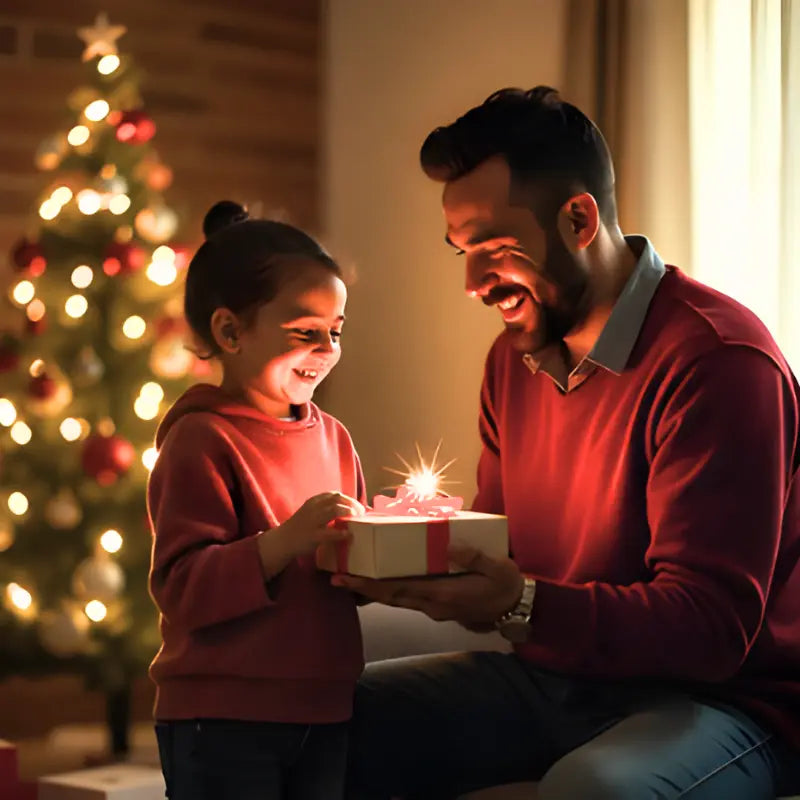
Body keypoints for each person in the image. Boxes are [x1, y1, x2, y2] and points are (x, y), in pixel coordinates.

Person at [334, 88, 800, 798]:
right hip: (554, 676)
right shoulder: (511, 361)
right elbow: (505, 557)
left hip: (729, 701)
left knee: (596, 791)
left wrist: (515, 604)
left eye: (491, 247)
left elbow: (710, 630)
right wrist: (394, 552)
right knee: (315, 723)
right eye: (462, 251)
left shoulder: (719, 360)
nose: (471, 283)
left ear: (579, 218)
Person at [148, 201, 365, 800]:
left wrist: (393, 551)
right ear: (230, 331)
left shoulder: (334, 439)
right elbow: (181, 586)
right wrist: (283, 542)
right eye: (305, 332)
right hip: (223, 718)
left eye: (336, 331)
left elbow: (347, 573)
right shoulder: (201, 440)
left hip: (323, 711)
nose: (326, 348)